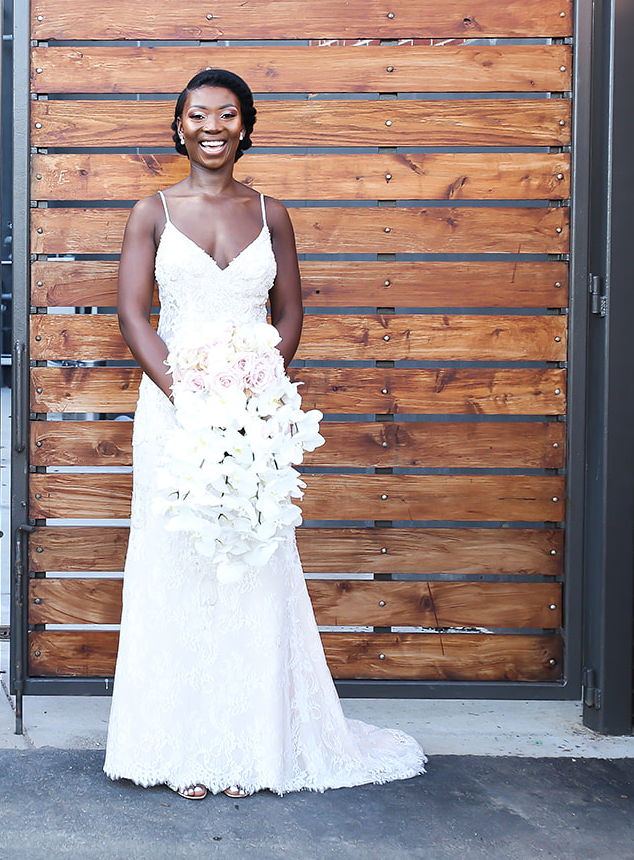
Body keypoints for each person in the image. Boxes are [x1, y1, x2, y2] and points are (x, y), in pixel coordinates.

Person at [104, 68, 425, 798]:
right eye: (197, 114)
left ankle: (247, 747)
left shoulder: (271, 212)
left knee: (252, 566)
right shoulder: (150, 211)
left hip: (254, 416)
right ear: (178, 125)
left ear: (245, 125)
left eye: (226, 114)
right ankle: (180, 748)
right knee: (179, 564)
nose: (211, 126)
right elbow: (132, 314)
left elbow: (289, 316)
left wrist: (255, 386)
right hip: (176, 411)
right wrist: (190, 392)